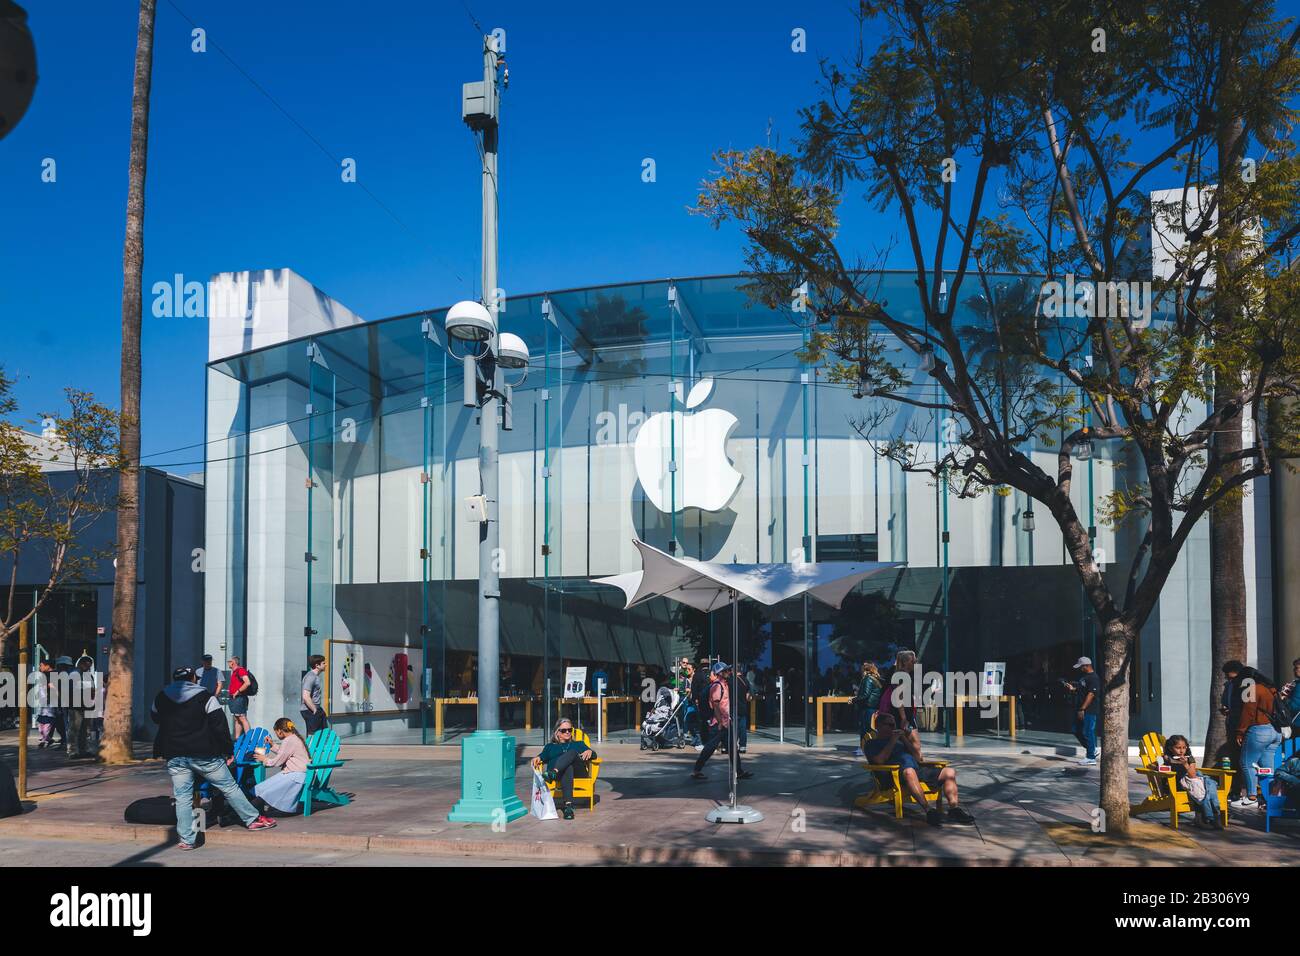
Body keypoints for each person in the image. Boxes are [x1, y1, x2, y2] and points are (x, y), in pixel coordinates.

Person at [151, 666, 277, 850]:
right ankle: (252, 820)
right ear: (194, 678)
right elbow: (219, 725)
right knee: (228, 786)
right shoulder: (205, 696)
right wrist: (228, 751)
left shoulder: (162, 697)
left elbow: (154, 717)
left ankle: (187, 840)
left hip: (175, 754)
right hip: (204, 754)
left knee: (183, 797)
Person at [864, 712, 975, 827]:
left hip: (916, 770)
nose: (894, 728)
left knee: (949, 772)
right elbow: (880, 760)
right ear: (879, 726)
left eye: (894, 725)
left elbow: (918, 758)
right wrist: (893, 740)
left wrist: (904, 739)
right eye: (890, 725)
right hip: (894, 775)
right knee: (909, 771)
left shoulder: (900, 741)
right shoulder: (872, 743)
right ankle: (929, 810)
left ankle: (954, 809)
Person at [690, 661, 752, 781]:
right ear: (720, 673)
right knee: (710, 747)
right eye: (726, 671)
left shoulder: (725, 685)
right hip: (718, 723)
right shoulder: (717, 686)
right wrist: (719, 722)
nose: (729, 672)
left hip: (725, 722)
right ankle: (696, 770)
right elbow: (716, 705)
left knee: (732, 748)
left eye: (728, 670)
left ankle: (738, 771)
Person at [1231, 666, 1282, 810]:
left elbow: (1248, 712)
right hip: (1275, 731)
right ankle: (1269, 799)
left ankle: (1251, 797)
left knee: (1247, 763)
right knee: (1267, 768)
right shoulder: (1271, 689)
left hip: (1259, 730)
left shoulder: (1251, 689)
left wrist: (1240, 731)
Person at [532, 717, 595, 820]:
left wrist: (590, 752)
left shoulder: (578, 744)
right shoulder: (550, 747)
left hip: (578, 772)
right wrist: (538, 757)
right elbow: (542, 756)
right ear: (557, 732)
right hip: (563, 775)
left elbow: (594, 755)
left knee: (573, 753)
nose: (567, 732)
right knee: (567, 767)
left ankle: (553, 772)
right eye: (564, 730)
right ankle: (568, 808)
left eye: (570, 730)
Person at [252, 717, 310, 815]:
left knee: (266, 791)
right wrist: (272, 744)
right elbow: (284, 752)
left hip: (296, 776)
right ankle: (252, 811)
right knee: (262, 788)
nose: (276, 734)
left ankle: (240, 813)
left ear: (280, 731)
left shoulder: (289, 740)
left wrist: (264, 759)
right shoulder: (293, 738)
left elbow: (277, 761)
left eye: (276, 732)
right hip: (293, 774)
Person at [1163, 734, 1221, 828]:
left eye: (1184, 747)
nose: (1181, 750)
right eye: (1178, 748)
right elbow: (1162, 769)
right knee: (1203, 787)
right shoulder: (1168, 759)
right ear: (1170, 748)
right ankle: (1209, 818)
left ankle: (1211, 817)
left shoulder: (1189, 758)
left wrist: (1186, 764)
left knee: (1209, 784)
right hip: (1179, 783)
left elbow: (1193, 775)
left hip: (1193, 779)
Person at [1063, 656, 1100, 766]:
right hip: (1081, 708)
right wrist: (1072, 689)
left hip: (1089, 709)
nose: (1080, 669)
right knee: (1076, 730)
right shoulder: (1084, 677)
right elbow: (1081, 690)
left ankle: (1091, 758)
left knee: (1088, 731)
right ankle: (1092, 749)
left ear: (1086, 666)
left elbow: (1091, 694)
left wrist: (1082, 708)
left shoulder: (1094, 678)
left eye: (1081, 667)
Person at [854, 662, 884, 757]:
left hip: (867, 707)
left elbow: (865, 694)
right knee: (871, 729)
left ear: (865, 671)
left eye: (862, 671)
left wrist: (854, 699)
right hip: (873, 707)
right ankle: (871, 748)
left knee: (865, 729)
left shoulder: (867, 679)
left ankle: (864, 748)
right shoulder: (876, 679)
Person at [300, 654, 328, 734]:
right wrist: (314, 709)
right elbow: (305, 696)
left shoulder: (315, 676)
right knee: (313, 735)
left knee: (323, 734)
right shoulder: (311, 677)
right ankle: (310, 746)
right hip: (309, 710)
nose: (325, 665)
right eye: (323, 663)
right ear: (317, 665)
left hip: (316, 709)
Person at [227, 656, 252, 738]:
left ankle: (249, 738)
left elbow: (247, 682)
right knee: (237, 719)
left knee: (242, 718)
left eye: (229, 661)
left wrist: (237, 691)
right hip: (235, 698)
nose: (228, 663)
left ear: (233, 662)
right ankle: (237, 739)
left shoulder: (240, 670)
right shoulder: (234, 672)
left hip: (239, 698)